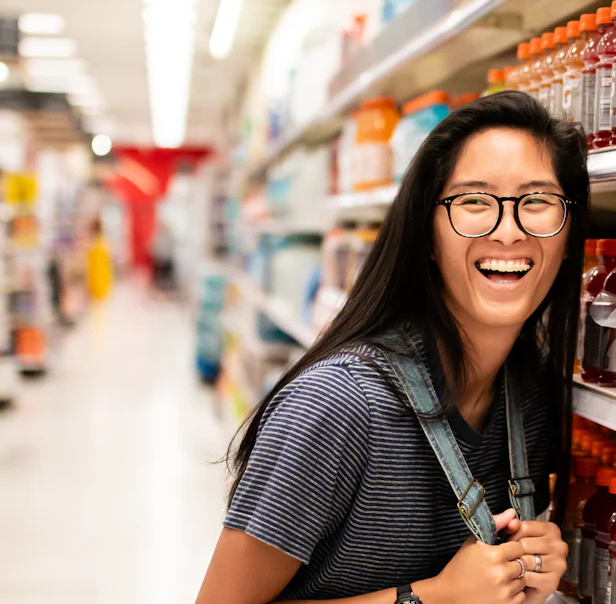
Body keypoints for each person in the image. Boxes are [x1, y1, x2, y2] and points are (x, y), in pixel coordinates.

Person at [197, 91, 590, 604]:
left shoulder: (530, 394)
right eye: (474, 201)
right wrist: (431, 597)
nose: (509, 231)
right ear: (426, 233)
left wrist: (524, 569)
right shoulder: (338, 406)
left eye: (536, 201)